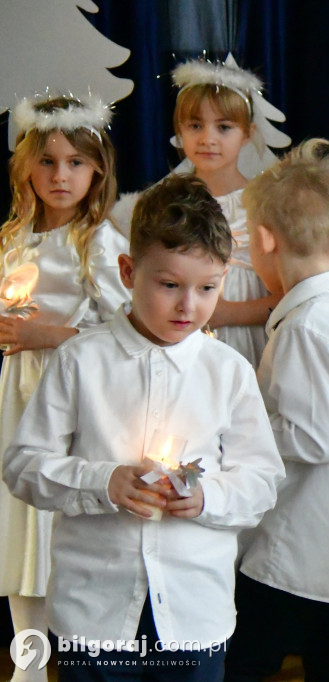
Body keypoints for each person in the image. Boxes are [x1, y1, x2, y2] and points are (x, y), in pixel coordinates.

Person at [2, 173, 284, 681]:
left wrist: (206, 499)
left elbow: (262, 481)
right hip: (94, 611)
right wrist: (104, 481)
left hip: (194, 613)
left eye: (207, 288)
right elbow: (22, 464)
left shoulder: (229, 372)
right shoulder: (79, 361)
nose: (188, 306)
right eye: (170, 284)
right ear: (129, 271)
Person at [224, 139, 329, 681]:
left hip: (303, 552)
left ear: (265, 239)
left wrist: (231, 430)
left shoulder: (310, 325)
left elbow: (313, 437)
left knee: (244, 662)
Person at [0, 94, 129, 682]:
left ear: (97, 169)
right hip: (15, 389)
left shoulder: (98, 241)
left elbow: (127, 327)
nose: (60, 176)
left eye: (75, 163)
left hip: (68, 392)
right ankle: (28, 668)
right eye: (48, 162)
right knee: (19, 527)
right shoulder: (14, 237)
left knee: (57, 529)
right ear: (25, 165)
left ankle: (81, 660)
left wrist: (48, 334)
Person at [170, 57, 283, 366]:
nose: (208, 138)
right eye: (195, 125)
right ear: (180, 131)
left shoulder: (265, 204)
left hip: (249, 343)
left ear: (247, 133)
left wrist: (230, 313)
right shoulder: (168, 202)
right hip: (185, 343)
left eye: (224, 127)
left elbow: (291, 294)